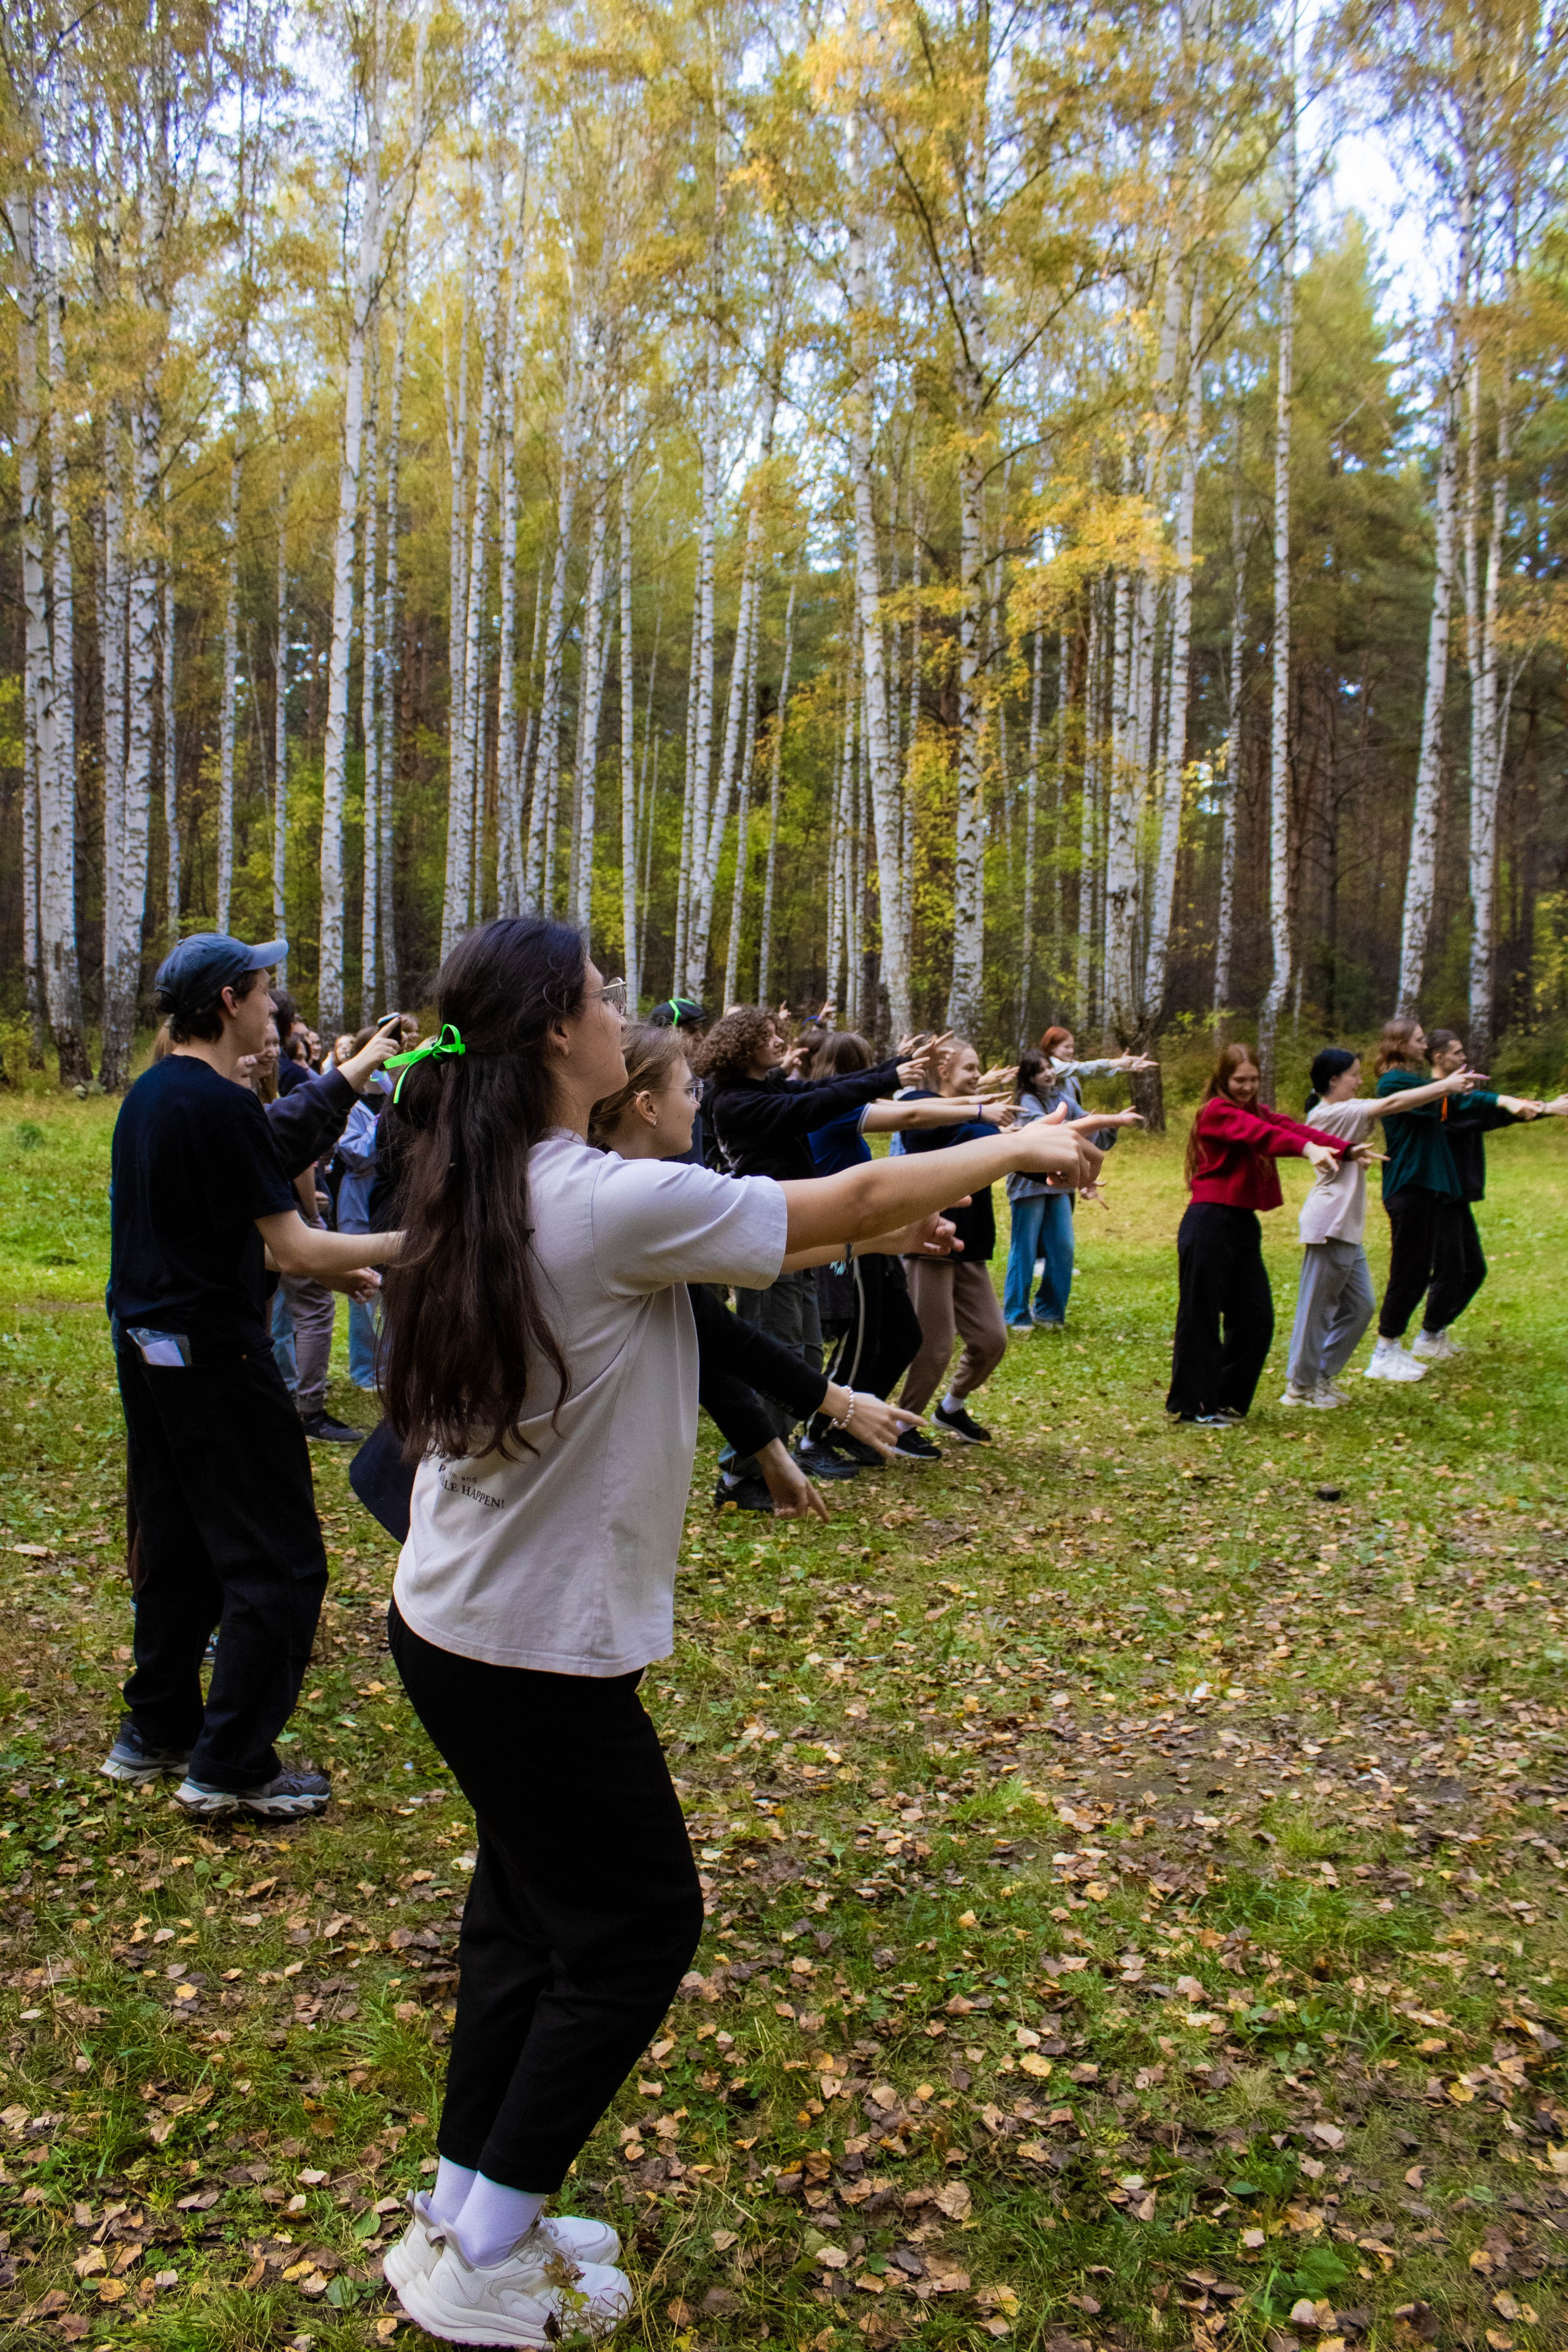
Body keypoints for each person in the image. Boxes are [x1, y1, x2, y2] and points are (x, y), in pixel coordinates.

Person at [373, 916, 1093, 2344]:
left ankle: (465, 2207)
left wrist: (886, 1228)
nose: (619, 1012)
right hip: (523, 1651)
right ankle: (484, 2266)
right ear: (552, 1040)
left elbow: (776, 1248)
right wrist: (1010, 1145)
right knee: (636, 1929)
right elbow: (845, 1189)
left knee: (524, 1921)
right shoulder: (591, 1197)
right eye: (598, 995)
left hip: (459, 1624)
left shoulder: (494, 1175)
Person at [101, 932, 401, 1819]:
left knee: (184, 1539)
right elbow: (296, 1240)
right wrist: (419, 1245)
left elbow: (219, 1212)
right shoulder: (218, 1107)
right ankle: (230, 1765)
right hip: (216, 1359)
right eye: (267, 990)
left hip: (150, 1349)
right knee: (276, 1558)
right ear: (231, 1000)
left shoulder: (155, 1096)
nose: (277, 1005)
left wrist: (351, 1074)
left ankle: (156, 1730)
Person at [589, 1024, 921, 1511]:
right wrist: (1010, 1145)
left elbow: (704, 1331)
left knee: (804, 1346)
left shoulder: (626, 1189)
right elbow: (860, 1199)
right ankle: (739, 1477)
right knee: (786, 1339)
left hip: (612, 1493)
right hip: (586, 1492)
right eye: (689, 1089)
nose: (699, 1102)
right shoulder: (638, 1194)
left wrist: (771, 1450)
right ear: (648, 1106)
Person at [692, 1006, 932, 1487]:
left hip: (795, 1234)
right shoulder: (733, 1101)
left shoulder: (764, 1087)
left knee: (805, 1352)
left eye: (778, 1034)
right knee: (778, 1350)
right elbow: (815, 1106)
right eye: (767, 1036)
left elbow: (821, 1089)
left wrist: (890, 1069)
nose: (780, 1042)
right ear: (743, 1047)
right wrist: (887, 1076)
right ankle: (743, 1473)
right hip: (766, 1241)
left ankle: (776, 1456)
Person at [803, 1028, 1014, 1468]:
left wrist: (981, 1102)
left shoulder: (843, 1105)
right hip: (846, 1241)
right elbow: (911, 1116)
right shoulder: (831, 1111)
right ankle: (816, 1437)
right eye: (867, 1068)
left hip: (875, 1236)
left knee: (903, 1336)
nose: (875, 1077)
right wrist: (979, 1110)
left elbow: (911, 1107)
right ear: (850, 1071)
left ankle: (860, 1422)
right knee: (860, 1342)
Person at [1167, 1042, 1351, 1427]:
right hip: (1209, 1222)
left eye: (1254, 1080)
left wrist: (1345, 1149)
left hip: (1240, 1224)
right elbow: (1261, 1136)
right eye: (1239, 1080)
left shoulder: (1253, 1112)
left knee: (1255, 1317)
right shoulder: (1217, 1112)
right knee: (1200, 1315)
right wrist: (1306, 1149)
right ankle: (1193, 1405)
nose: (1247, 1087)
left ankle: (1227, 1400)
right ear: (1223, 1079)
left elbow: (1285, 1127)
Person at [1282, 1045, 1478, 1406]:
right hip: (1330, 1222)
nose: (1360, 1081)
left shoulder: (1342, 1111)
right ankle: (1299, 1387)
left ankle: (1320, 1376)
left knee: (1361, 1307)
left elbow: (1388, 1107)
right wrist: (1445, 1087)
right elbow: (1390, 1104)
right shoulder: (1332, 1113)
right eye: (1354, 1075)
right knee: (1317, 1309)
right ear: (1334, 1080)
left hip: (1346, 1225)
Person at [1369, 1017, 1535, 1378]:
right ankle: (1385, 1351)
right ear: (1401, 1044)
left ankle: (1396, 1346)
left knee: (1417, 1274)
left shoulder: (1424, 1086)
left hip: (1429, 1190)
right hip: (1409, 1187)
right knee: (1408, 1273)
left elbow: (1460, 1106)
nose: (1423, 1044)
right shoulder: (1395, 1082)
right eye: (1418, 1039)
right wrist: (1455, 1087)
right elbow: (1440, 1096)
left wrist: (1510, 1102)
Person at [894, 1038, 1030, 1448]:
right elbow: (932, 1137)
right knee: (935, 1346)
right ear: (944, 1069)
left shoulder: (977, 1117)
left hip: (969, 1241)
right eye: (969, 1068)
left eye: (977, 1068)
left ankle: (951, 1408)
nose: (976, 1075)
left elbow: (1014, 1152)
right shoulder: (922, 1103)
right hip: (930, 1241)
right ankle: (903, 1426)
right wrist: (990, 1126)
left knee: (991, 1339)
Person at [1003, 1044, 1145, 1332]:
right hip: (1029, 1185)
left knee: (1063, 1247)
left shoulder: (1063, 1098)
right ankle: (1016, 1315)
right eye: (1040, 1070)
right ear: (1029, 1078)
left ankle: (1049, 1311)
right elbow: (1058, 1133)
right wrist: (1101, 1121)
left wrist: (1113, 1124)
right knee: (1025, 1250)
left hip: (1059, 1185)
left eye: (1049, 1067)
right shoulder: (1026, 1103)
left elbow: (1088, 1133)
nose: (1048, 1074)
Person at [644, 997, 711, 1163]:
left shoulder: (694, 1077)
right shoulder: (652, 1081)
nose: (700, 1038)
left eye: (700, 1030)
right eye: (691, 1031)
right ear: (666, 1033)